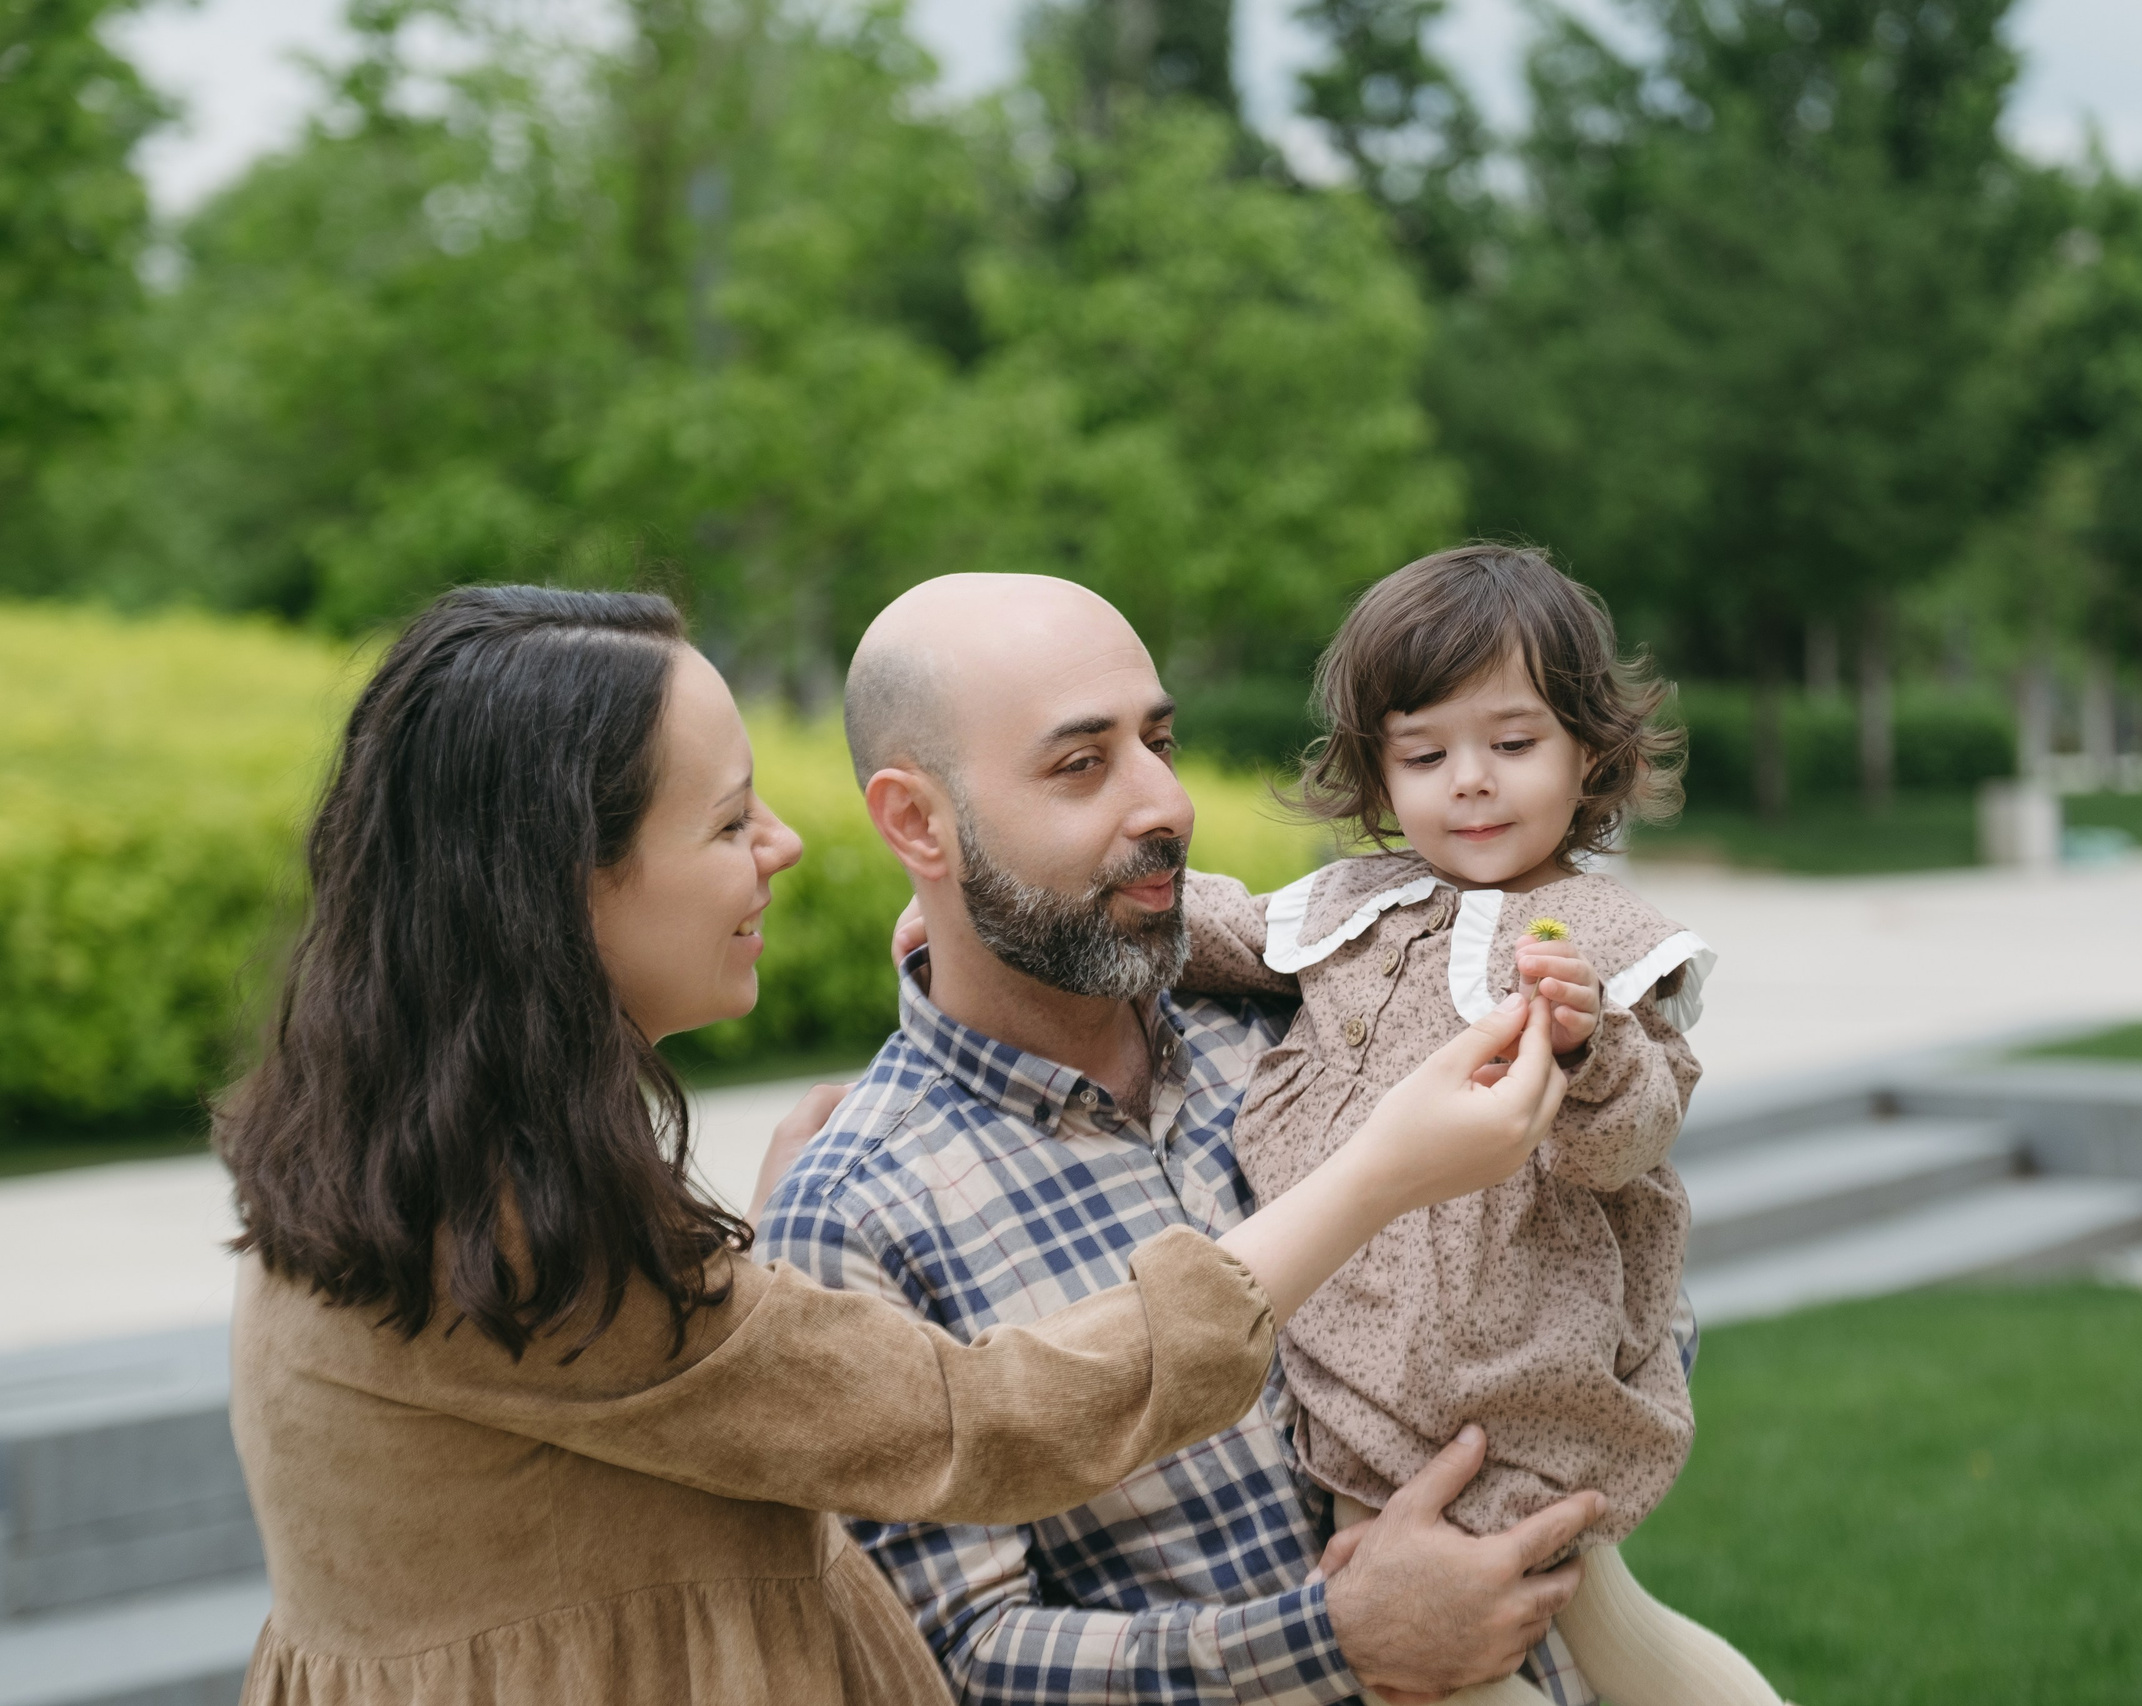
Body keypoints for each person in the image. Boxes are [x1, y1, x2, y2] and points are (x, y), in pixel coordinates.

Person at [217, 585, 1573, 1706]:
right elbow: (987, 1424)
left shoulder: (471, 1188)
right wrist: (1381, 1175)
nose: (784, 844)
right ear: (556, 887)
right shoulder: (541, 1237)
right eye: (727, 817)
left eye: (1160, 737)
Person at [760, 574, 1613, 1706]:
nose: (1162, 799)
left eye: (1158, 739)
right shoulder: (854, 1212)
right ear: (918, 821)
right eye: (1081, 763)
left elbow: (1602, 1294)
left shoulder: (1305, 1024)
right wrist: (1335, 1636)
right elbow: (946, 1657)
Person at [1175, 545, 1785, 1706]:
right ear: (1376, 769)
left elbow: (1634, 1136)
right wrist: (1089, 909)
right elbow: (1231, 928)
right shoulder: (1355, 899)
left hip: (1515, 1349)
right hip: (1365, 1337)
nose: (1470, 781)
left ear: (1587, 751)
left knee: (1451, 1645)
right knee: (1577, 1613)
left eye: (1512, 744)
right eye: (1424, 752)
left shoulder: (1596, 930)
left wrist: (1588, 1041)